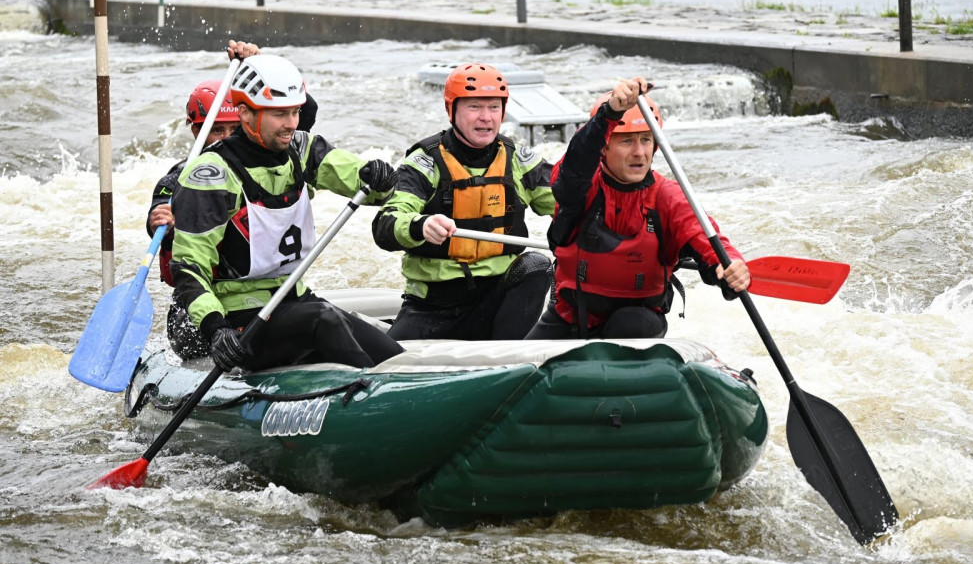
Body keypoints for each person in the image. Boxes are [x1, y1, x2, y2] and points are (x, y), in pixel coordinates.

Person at [169, 53, 403, 372]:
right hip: (241, 322)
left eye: (294, 111)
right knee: (324, 319)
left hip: (293, 300)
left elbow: (360, 180)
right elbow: (188, 265)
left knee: (391, 354)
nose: (291, 123)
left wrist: (379, 177)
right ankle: (376, 397)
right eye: (280, 114)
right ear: (245, 114)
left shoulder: (301, 150)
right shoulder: (211, 175)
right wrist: (215, 328)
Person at [525, 77, 750, 340]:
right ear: (604, 147)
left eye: (645, 140)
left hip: (638, 325)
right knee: (516, 369)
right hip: (571, 320)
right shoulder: (581, 187)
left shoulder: (669, 197)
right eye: (626, 141)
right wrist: (609, 114)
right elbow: (576, 162)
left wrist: (730, 265)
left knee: (629, 324)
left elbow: (709, 240)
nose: (639, 152)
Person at [146, 41, 321, 360]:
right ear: (197, 130)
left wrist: (260, 65)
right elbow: (160, 218)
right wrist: (158, 219)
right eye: (216, 130)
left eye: (232, 128)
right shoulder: (180, 177)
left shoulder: (271, 156)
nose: (225, 137)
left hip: (257, 302)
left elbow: (301, 117)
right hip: (196, 313)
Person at [371, 63, 555, 340]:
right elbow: (386, 223)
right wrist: (420, 225)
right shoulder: (424, 162)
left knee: (536, 265)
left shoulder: (518, 160)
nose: (486, 118)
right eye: (474, 107)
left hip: (496, 301)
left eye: (494, 107)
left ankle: (510, 359)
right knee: (382, 360)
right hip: (433, 307)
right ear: (451, 110)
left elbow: (571, 200)